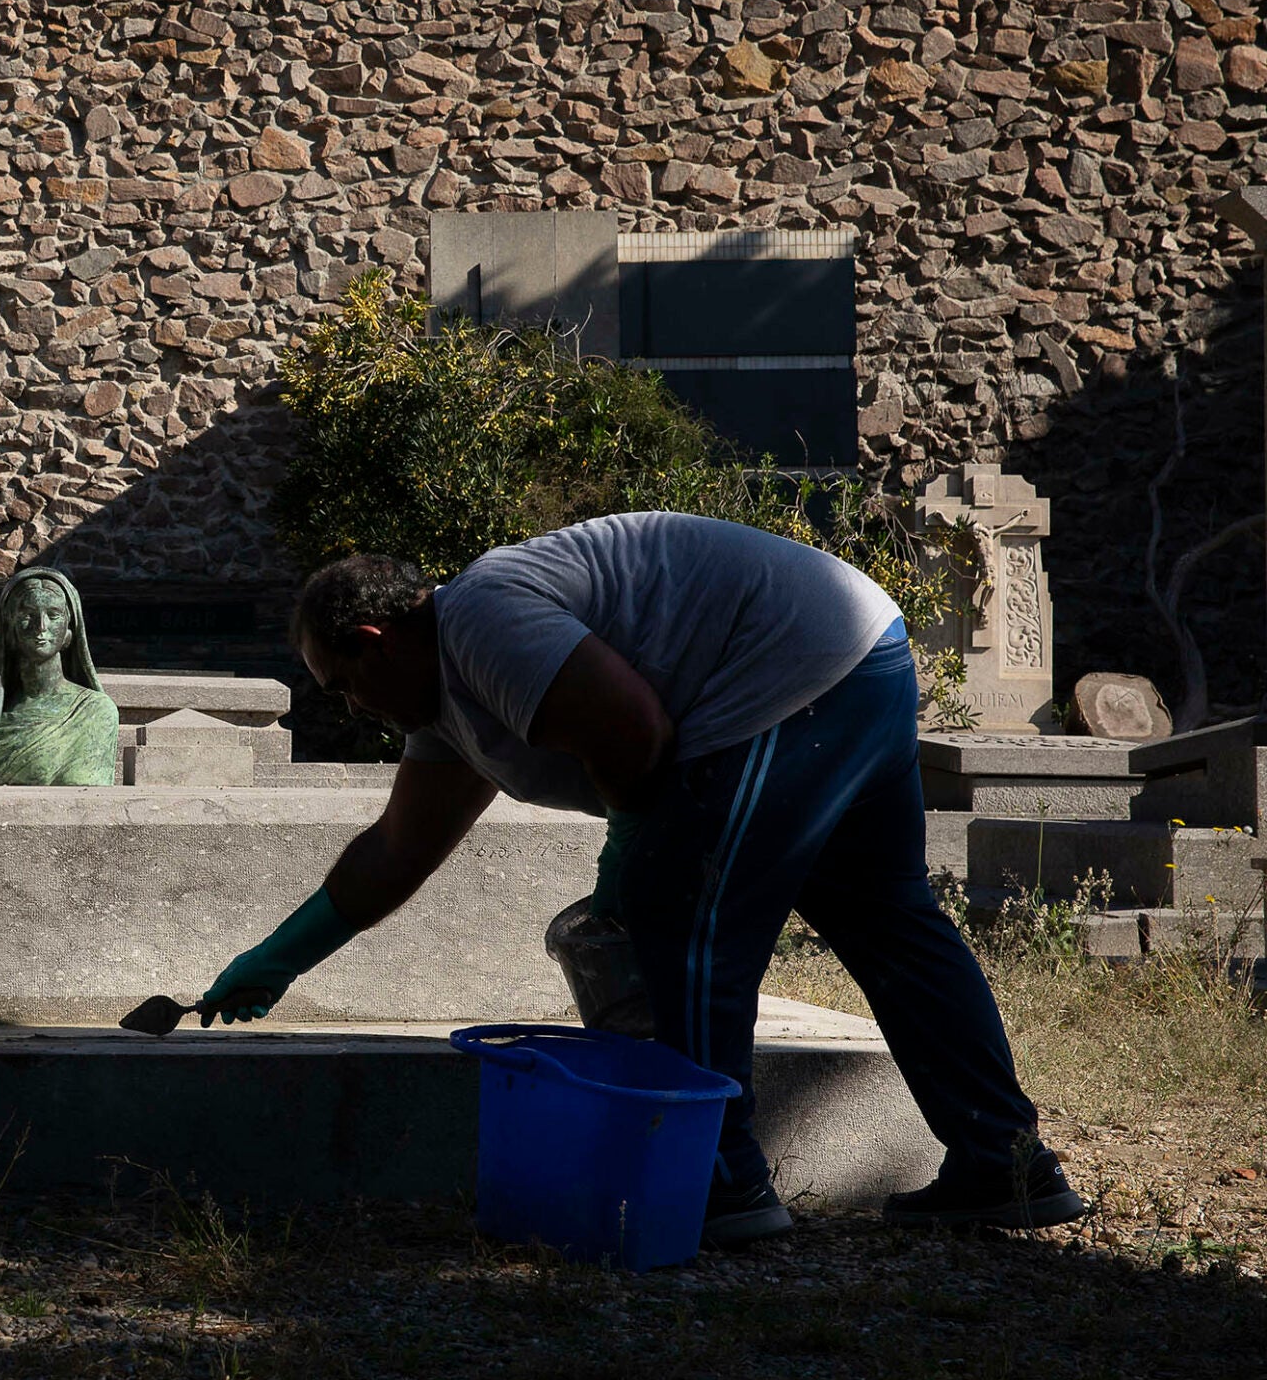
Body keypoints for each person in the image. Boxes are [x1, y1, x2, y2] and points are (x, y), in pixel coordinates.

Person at [203, 513, 1085, 1246]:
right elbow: (394, 850)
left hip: (794, 668)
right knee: (887, 918)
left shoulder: (480, 620)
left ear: (372, 638)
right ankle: (1004, 1161)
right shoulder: (448, 706)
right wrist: (277, 958)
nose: (351, 706)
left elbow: (635, 735)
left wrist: (629, 861)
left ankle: (721, 1180)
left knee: (682, 916)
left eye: (343, 684)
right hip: (854, 653)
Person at [0, 567, 119, 786]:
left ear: (69, 631)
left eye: (53, 615)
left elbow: (84, 790)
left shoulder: (94, 713)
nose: (41, 627)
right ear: (9, 629)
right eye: (28, 615)